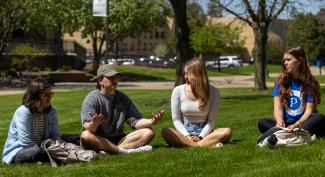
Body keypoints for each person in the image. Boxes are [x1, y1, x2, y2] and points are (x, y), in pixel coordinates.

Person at [80, 64, 165, 154]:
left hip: (119, 139)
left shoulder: (122, 97)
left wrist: (152, 121)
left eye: (116, 77)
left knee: (149, 132)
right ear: (100, 80)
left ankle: (114, 150)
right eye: (111, 77)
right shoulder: (91, 99)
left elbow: (136, 122)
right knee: (85, 135)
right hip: (99, 139)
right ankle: (124, 151)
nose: (115, 80)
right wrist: (94, 124)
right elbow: (88, 129)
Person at [161, 58, 232, 147]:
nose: (185, 77)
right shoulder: (178, 91)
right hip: (184, 133)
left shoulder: (214, 92)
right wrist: (188, 136)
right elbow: (176, 119)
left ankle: (193, 145)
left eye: (188, 74)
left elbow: (211, 121)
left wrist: (201, 137)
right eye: (185, 73)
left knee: (227, 131)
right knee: (166, 131)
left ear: (198, 75)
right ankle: (202, 145)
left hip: (206, 134)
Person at [258, 46, 325, 137]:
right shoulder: (280, 83)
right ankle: (295, 134)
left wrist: (296, 124)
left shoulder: (310, 83)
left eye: (288, 60)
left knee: (319, 117)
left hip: (303, 123)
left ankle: (285, 135)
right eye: (284, 60)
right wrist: (279, 120)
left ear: (300, 60)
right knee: (262, 122)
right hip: (287, 124)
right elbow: (278, 108)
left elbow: (309, 111)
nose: (285, 63)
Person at [2, 78, 60, 164]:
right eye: (45, 95)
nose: (49, 98)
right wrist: (53, 148)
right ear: (35, 96)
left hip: (44, 146)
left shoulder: (52, 111)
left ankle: (55, 154)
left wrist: (57, 144)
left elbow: (56, 135)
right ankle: (56, 154)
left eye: (51, 94)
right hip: (21, 151)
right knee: (36, 152)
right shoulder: (24, 112)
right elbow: (25, 142)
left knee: (74, 138)